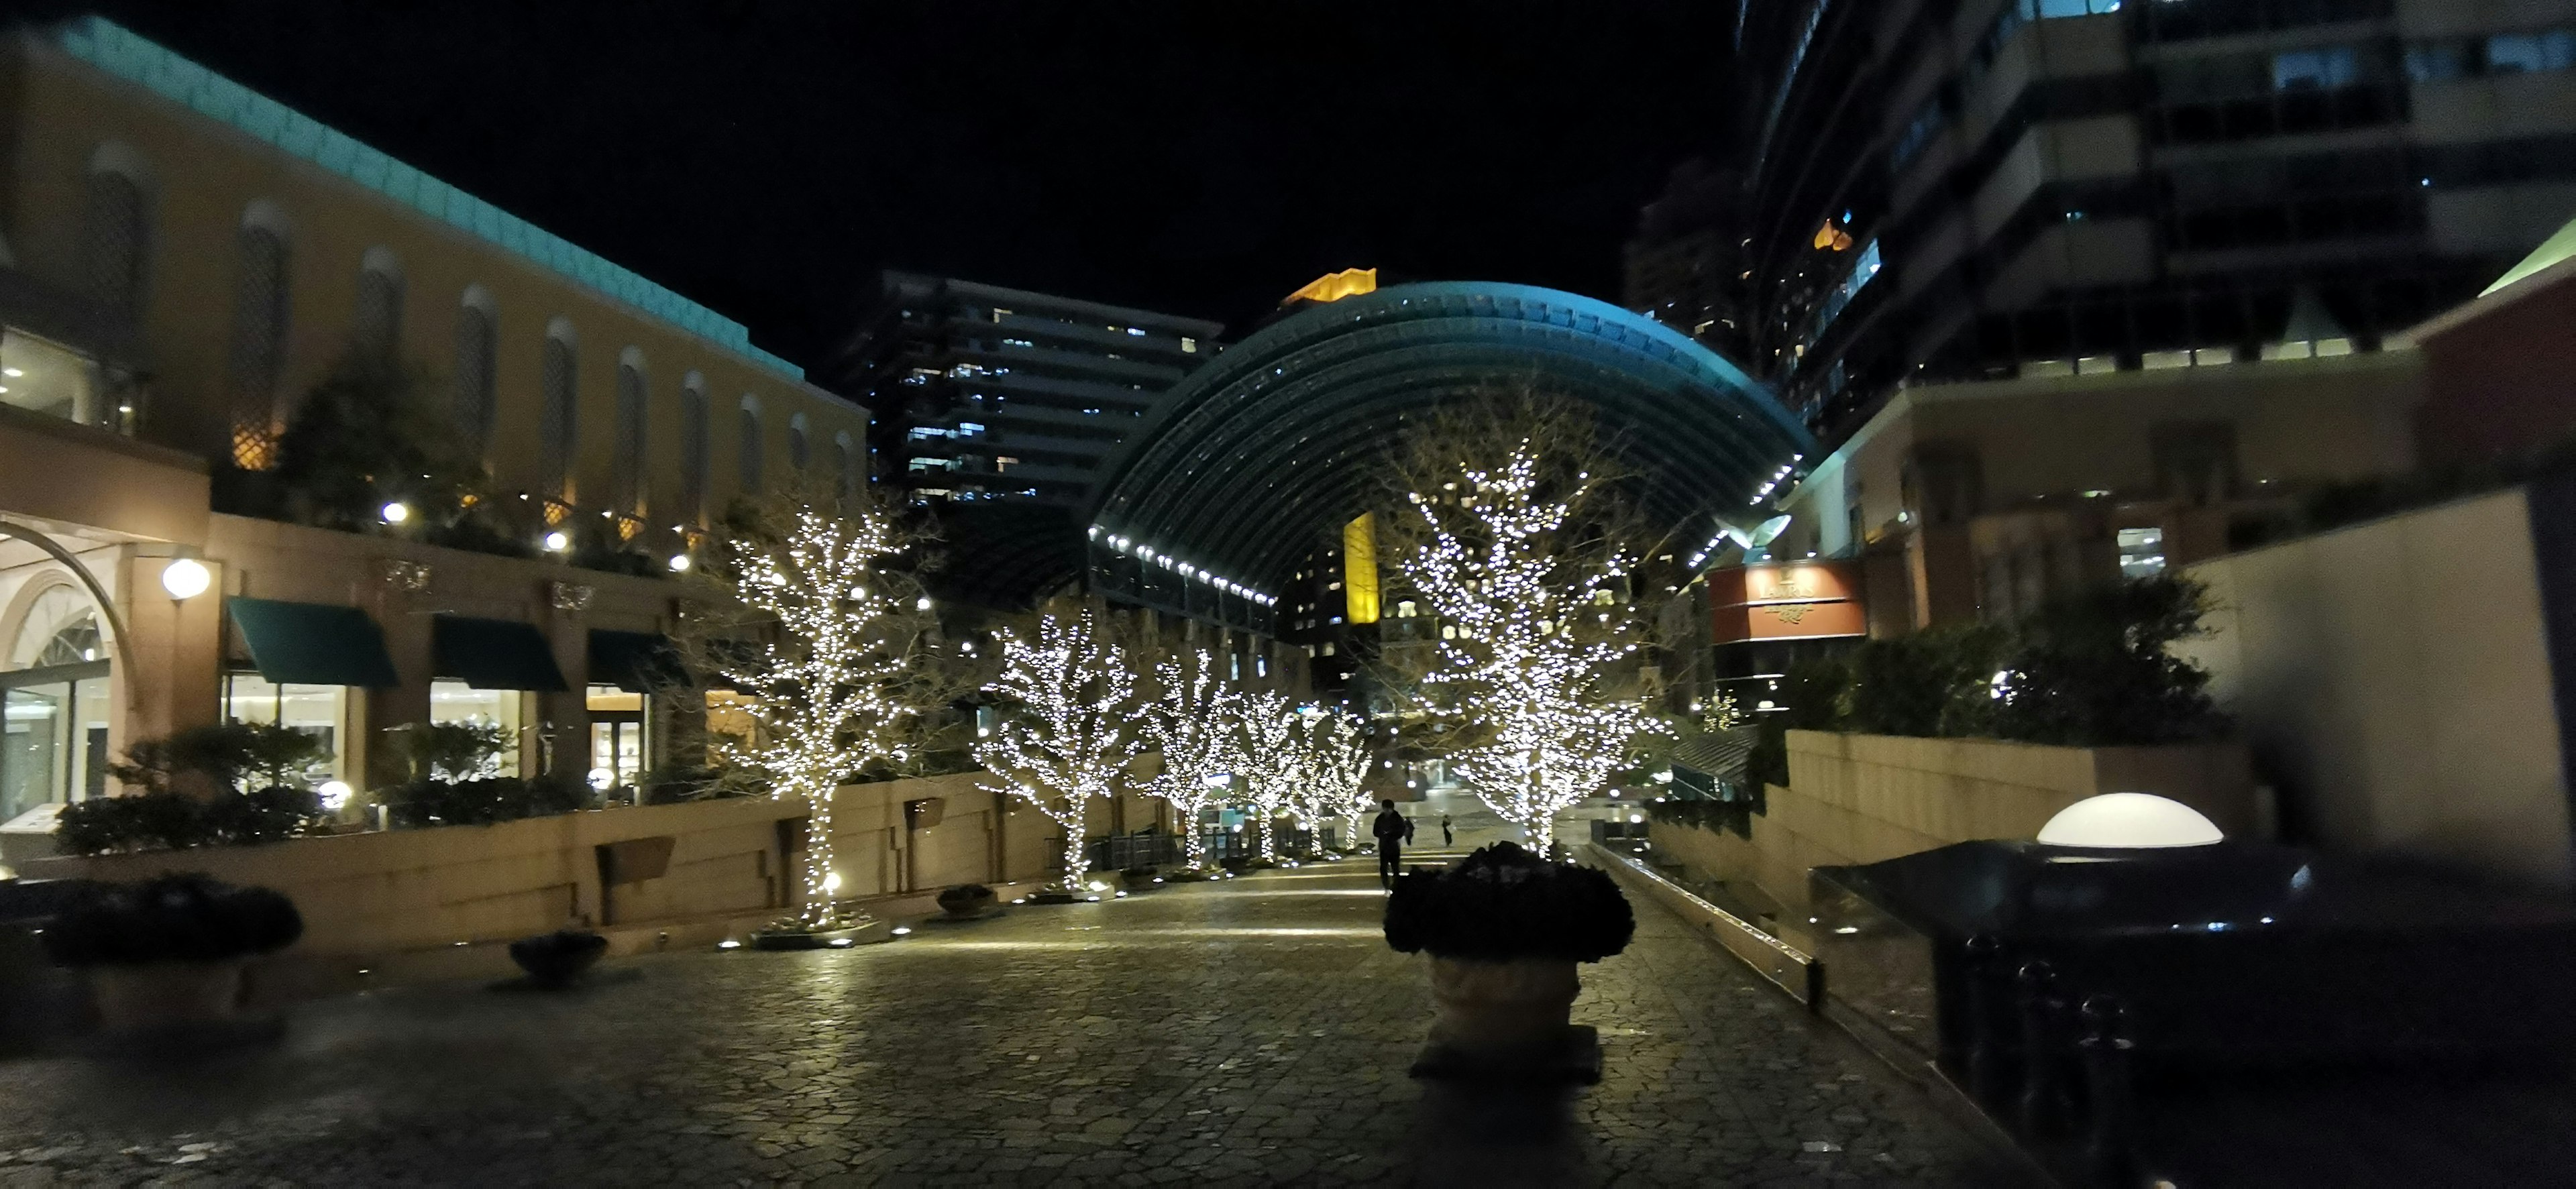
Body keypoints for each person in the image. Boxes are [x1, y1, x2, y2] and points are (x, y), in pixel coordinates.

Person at [1371, 799, 1409, 889]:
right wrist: (1383, 834)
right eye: (1385, 809)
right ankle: (1387, 886)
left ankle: (1396, 885)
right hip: (1384, 846)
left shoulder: (1397, 818)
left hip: (1393, 846)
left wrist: (1391, 834)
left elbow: (1401, 831)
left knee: (1395, 868)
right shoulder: (1380, 818)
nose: (1387, 811)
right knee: (1383, 868)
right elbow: (1375, 832)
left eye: (1388, 809)